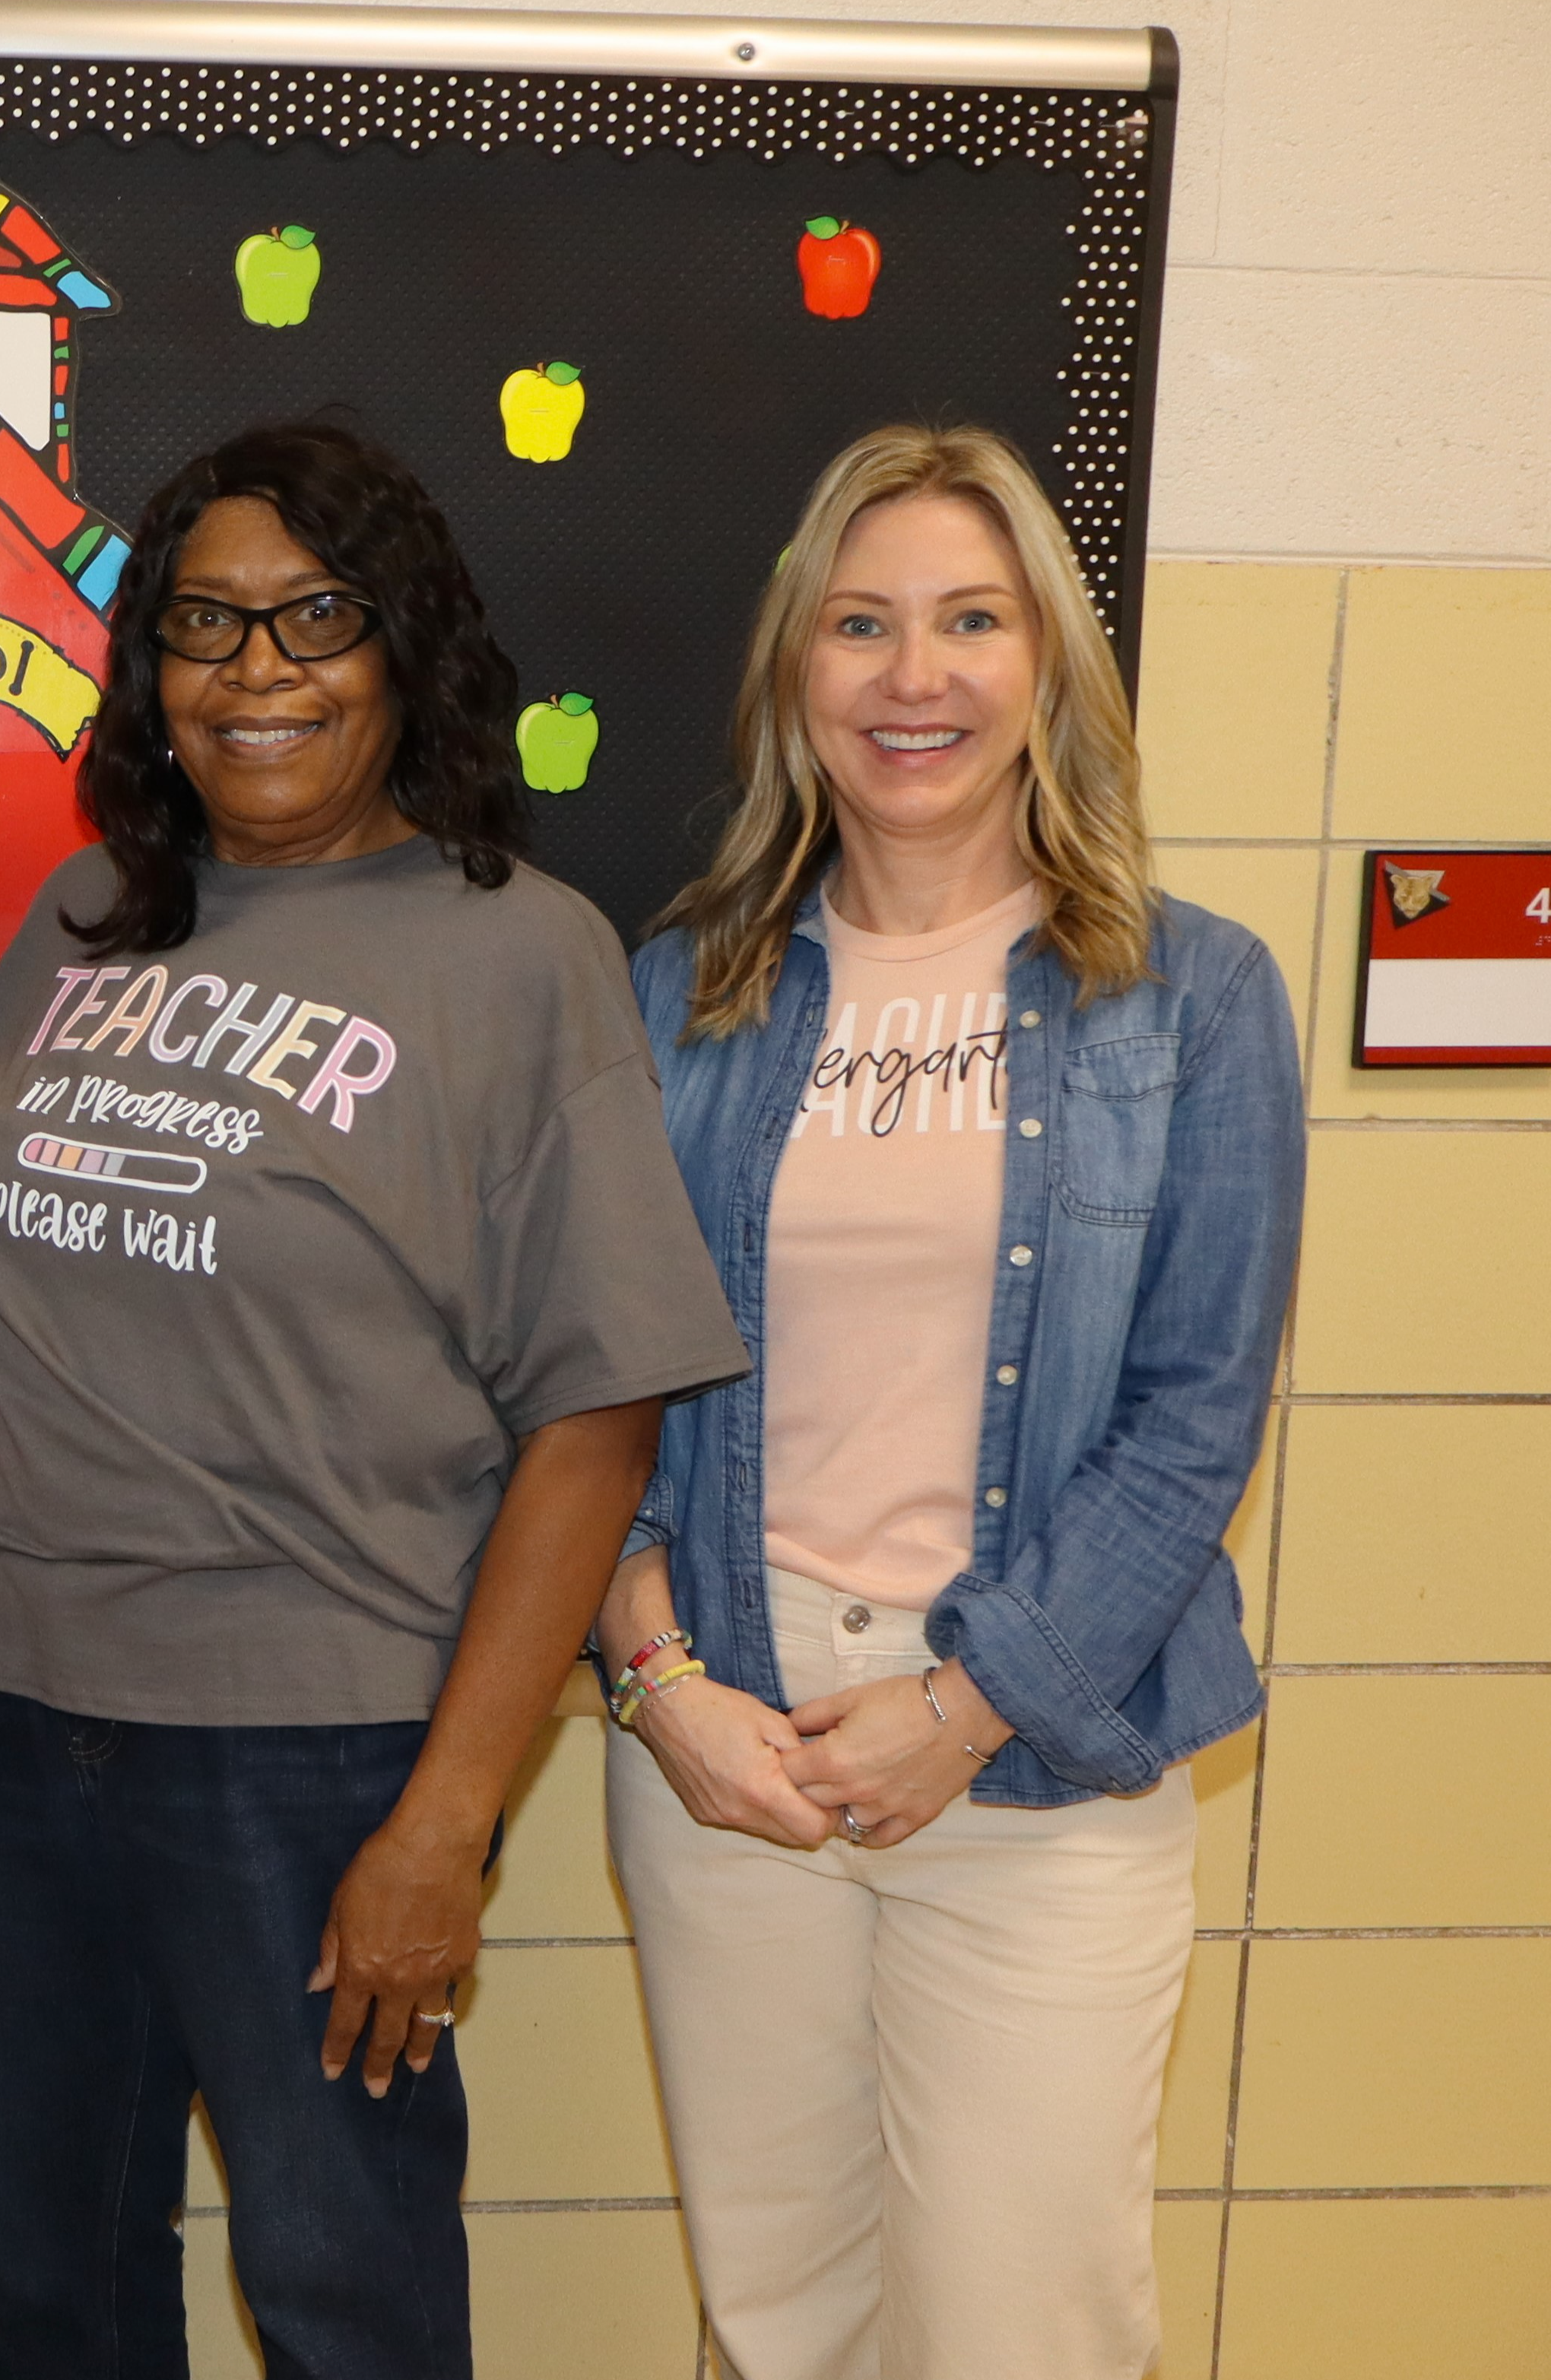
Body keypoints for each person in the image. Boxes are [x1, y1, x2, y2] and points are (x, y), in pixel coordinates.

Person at [0, 419, 749, 2378]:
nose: (257, 670)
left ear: (405, 648)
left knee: (342, 2295)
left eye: (315, 619)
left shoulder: (514, 949)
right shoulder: (83, 917)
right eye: (206, 621)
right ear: (151, 667)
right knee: (49, 2282)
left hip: (309, 1747)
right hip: (16, 1712)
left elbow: (600, 1410)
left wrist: (448, 1818)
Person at [604, 424, 1299, 2380]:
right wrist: (663, 1686)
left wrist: (966, 1698)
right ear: (795, 674)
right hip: (730, 1732)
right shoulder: (680, 994)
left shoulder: (1191, 998)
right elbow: (583, 1399)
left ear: (1047, 666)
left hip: (1041, 1749)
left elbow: (1192, 1422)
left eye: (971, 621)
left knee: (1024, 2331)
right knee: (783, 2319)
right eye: (863, 624)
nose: (916, 677)